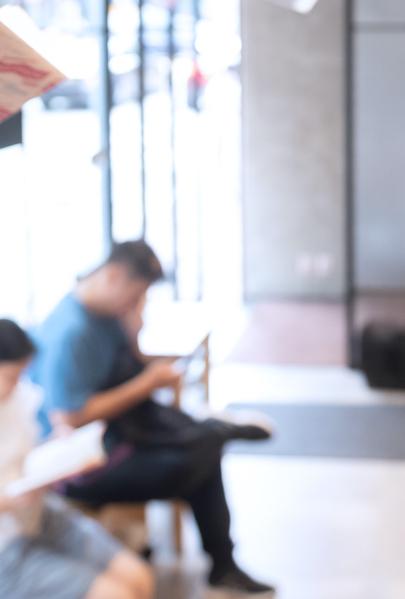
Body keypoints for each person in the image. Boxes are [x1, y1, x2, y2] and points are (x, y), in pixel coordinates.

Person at [31, 241, 274, 596]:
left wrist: (135, 327)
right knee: (200, 451)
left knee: (201, 445)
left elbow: (129, 361)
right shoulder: (71, 332)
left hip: (119, 437)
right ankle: (223, 560)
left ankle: (214, 435)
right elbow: (69, 418)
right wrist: (146, 384)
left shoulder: (104, 316)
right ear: (114, 276)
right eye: (136, 294)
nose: (136, 302)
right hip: (80, 463)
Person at [0, 319, 153, 599]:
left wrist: (61, 450)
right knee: (117, 595)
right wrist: (4, 504)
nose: (16, 386)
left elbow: (17, 461)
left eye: (21, 376)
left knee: (139, 578)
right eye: (10, 377)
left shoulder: (13, 399)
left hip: (35, 518)